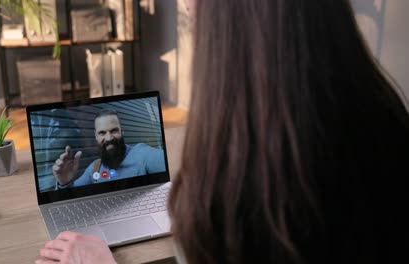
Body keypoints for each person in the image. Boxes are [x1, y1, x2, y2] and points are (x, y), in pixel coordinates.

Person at [37, 0, 409, 263]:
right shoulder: (386, 117)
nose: (187, 8)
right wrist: (67, 184)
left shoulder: (225, 188)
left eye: (113, 131)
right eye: (101, 135)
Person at [52, 108, 166, 188]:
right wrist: (64, 183)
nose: (108, 138)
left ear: (122, 131)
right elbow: (71, 199)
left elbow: (167, 163)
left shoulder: (142, 154)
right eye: (102, 133)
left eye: (114, 131)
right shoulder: (94, 168)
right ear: (96, 136)